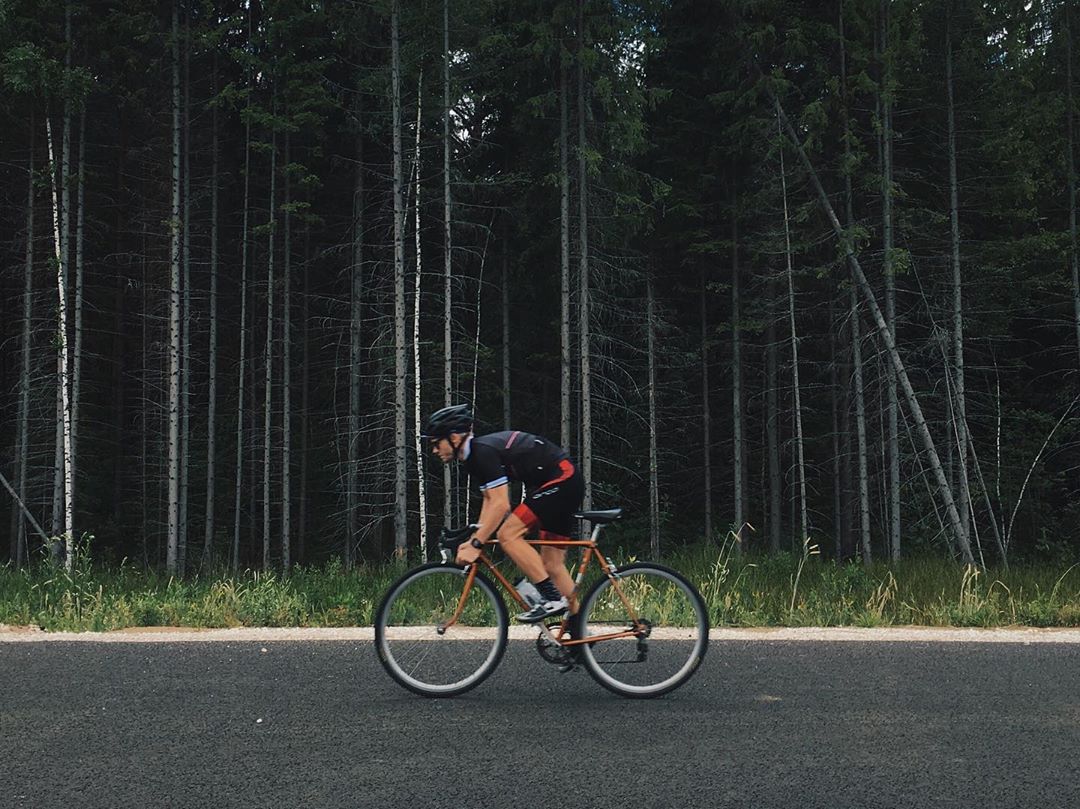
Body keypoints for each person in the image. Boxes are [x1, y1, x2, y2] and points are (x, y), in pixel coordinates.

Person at [421, 403, 584, 623]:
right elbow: (489, 500)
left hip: (562, 480)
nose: (434, 450)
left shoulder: (481, 452)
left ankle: (552, 598)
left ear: (455, 438)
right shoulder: (473, 457)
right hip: (563, 482)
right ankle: (579, 633)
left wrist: (477, 543)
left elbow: (501, 505)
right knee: (552, 565)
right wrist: (473, 538)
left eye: (436, 443)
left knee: (508, 534)